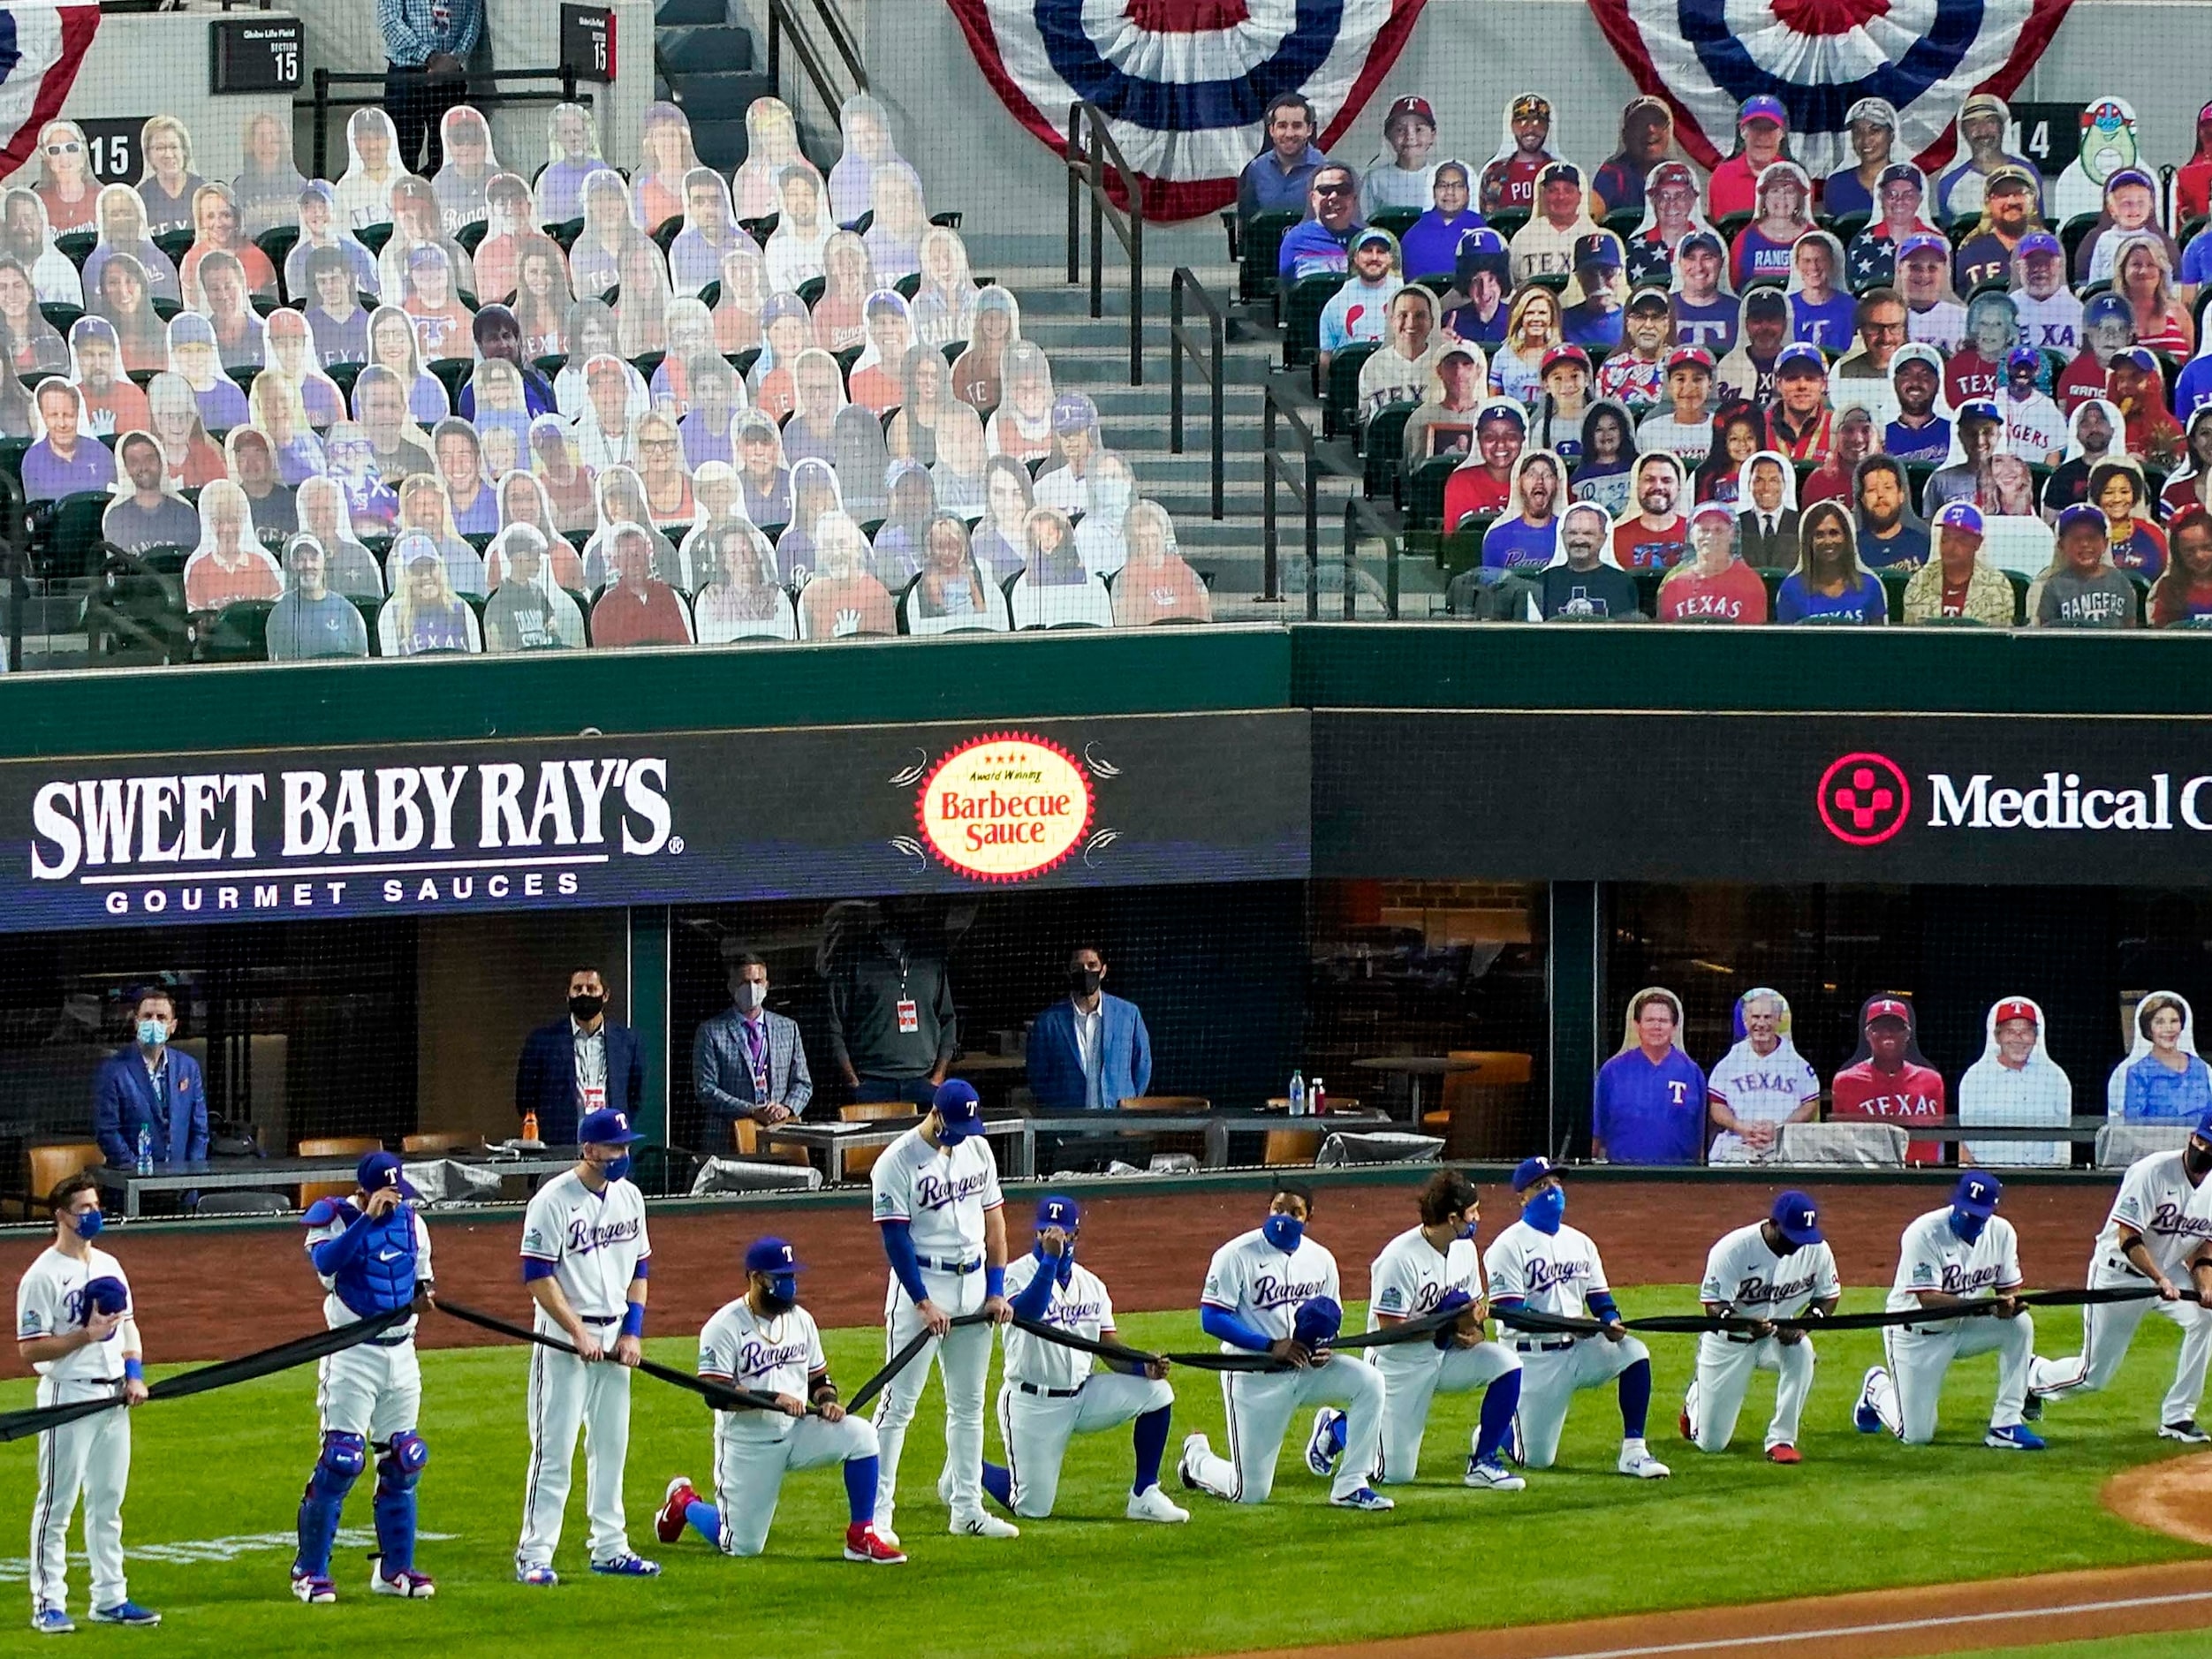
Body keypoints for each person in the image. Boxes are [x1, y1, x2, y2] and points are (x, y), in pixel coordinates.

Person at [653, 1238, 902, 1564]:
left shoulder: (801, 1320)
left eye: (791, 1276)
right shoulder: (723, 1326)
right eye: (779, 1278)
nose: (789, 1285)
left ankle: (861, 1536)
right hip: (748, 1442)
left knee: (862, 1436)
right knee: (741, 1545)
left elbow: (819, 1379)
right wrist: (773, 1399)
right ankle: (685, 1503)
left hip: (797, 1432)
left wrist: (828, 1401)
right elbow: (716, 1394)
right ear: (756, 1278)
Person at [1178, 1181, 1392, 1511]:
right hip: (1254, 1375)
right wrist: (1269, 1345)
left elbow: (1330, 1314)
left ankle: (1351, 1484)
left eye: (1295, 1212)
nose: (1285, 1217)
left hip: (1308, 1370)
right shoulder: (1235, 1255)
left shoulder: (1321, 1258)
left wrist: (1325, 1347)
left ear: (1309, 1218)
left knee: (1370, 1382)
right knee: (1248, 1492)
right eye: (1279, 1209)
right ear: (1268, 1209)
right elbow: (1212, 1318)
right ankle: (1196, 1459)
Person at [974, 1195, 1185, 1523]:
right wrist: (1049, 1261)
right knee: (1032, 1507)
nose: (1054, 1238)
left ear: (1076, 1235)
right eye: (1046, 1231)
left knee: (1158, 1393)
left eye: (1062, 1232)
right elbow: (1028, 1312)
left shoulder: (1092, 1285)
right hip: (1033, 1402)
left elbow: (1107, 1345)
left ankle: (1145, 1494)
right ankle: (969, 1467)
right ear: (1037, 1234)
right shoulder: (1013, 1275)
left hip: (1084, 1395)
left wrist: (1141, 1365)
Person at [869, 1079, 1017, 1545]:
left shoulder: (979, 1150)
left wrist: (996, 1289)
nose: (959, 1135)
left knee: (970, 1406)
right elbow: (895, 1239)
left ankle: (967, 1509)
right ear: (935, 1115)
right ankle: (876, 1514)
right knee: (898, 1405)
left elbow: (995, 1222)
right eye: (953, 1126)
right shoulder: (895, 1162)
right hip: (924, 1281)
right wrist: (922, 1301)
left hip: (973, 1281)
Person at [514, 1109, 656, 1585]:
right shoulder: (552, 1200)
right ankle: (535, 1554)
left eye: (626, 1147)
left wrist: (632, 1332)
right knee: (554, 1449)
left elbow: (639, 1269)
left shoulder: (630, 1198)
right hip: (560, 1339)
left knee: (611, 1446)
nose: (623, 1155)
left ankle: (611, 1546)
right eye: (615, 1148)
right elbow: (537, 1275)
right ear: (589, 1149)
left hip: (616, 1335)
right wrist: (576, 1331)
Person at [1315, 1170, 1525, 1491]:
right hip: (1399, 1364)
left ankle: (1483, 1463)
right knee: (1396, 1473)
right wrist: (1448, 1328)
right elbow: (1390, 1329)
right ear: (1453, 1218)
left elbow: (1472, 1305)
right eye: (1473, 1213)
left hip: (1446, 1354)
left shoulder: (1464, 1249)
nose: (1478, 1219)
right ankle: (1337, 1427)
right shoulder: (1398, 1259)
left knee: (1507, 1363)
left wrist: (1475, 1330)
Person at [289, 1152, 436, 1605]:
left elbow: (420, 1283)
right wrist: (364, 1222)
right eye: (385, 1195)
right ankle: (309, 1571)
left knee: (405, 1458)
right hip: (352, 1354)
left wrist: (422, 1299)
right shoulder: (333, 1217)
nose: (393, 1203)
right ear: (367, 1190)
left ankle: (395, 1569)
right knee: (342, 1460)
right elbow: (328, 1264)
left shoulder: (414, 1225)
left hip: (401, 1352)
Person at [18, 1172, 155, 1633]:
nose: (93, 1215)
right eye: (84, 1209)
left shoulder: (111, 1265)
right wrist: (84, 1336)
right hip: (68, 1396)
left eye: (96, 1206)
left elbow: (129, 1329)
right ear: (61, 1216)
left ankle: (110, 1596)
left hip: (114, 1396)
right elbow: (30, 1349)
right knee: (57, 1503)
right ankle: (48, 1602)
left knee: (107, 1502)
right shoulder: (42, 1276)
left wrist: (134, 1376)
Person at [2026, 1113, 2212, 1443]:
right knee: (2092, 1375)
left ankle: (2178, 1416)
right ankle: (2033, 1375)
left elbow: (2203, 1245)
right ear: (2192, 1137)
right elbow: (2128, 1237)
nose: (2204, 1150)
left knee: (2206, 1317)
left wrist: (2205, 1285)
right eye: (2202, 1141)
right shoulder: (2151, 1172)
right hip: (2120, 1274)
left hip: (2166, 1271)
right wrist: (2160, 1279)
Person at [1485, 1159, 1670, 1477]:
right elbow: (1510, 1313)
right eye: (1541, 1186)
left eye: (1556, 1183)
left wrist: (1610, 1320)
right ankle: (1498, 1429)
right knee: (1537, 1460)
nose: (1552, 1191)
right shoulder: (1507, 1246)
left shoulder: (1581, 1242)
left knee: (1635, 1352)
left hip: (1579, 1349)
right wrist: (1571, 1323)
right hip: (1533, 1360)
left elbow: (1600, 1298)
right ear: (1522, 1198)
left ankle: (1634, 1452)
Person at [1855, 1173, 2041, 1449]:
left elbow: (2009, 1289)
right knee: (1916, 1436)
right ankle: (1876, 1388)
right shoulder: (1923, 1233)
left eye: (1977, 1214)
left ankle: (2006, 1423)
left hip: (1964, 1327)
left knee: (2020, 1325)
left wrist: (2008, 1305)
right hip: (1916, 1335)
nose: (1969, 1218)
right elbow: (1928, 1300)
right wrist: (1987, 1307)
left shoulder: (2002, 1233)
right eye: (1965, 1210)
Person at [1679, 1191, 1838, 1462]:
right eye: (1792, 1238)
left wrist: (1804, 1324)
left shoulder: (1816, 1249)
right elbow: (1713, 1305)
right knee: (1712, 1444)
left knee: (1802, 1351)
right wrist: (1742, 1323)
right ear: (1774, 1224)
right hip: (1730, 1341)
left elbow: (1829, 1295)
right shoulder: (1733, 1249)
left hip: (1775, 1339)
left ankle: (1781, 1440)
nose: (1798, 1246)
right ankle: (1696, 1399)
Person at [826, 901, 958, 1106]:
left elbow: (948, 1019)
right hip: (871, 1084)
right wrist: (853, 1081)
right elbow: (834, 1027)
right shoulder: (853, 961)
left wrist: (938, 1077)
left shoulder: (929, 960)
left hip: (923, 1082)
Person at [514, 967, 645, 1148]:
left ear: (605, 995)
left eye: (591, 989)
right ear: (568, 996)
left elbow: (634, 1096)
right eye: (578, 989)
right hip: (559, 1148)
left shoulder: (628, 1041)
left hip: (610, 1148)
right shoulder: (543, 1041)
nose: (584, 994)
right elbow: (526, 1098)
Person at [692, 951, 812, 1145]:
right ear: (731, 987)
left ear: (767, 985)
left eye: (757, 981)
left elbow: (803, 1083)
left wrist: (786, 1108)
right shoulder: (711, 1031)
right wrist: (752, 1111)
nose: (752, 988)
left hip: (781, 1137)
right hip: (727, 1139)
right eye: (744, 982)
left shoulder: (788, 1028)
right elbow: (705, 1089)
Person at [1025, 945, 1152, 1112]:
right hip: (1066, 1125)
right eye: (1077, 967)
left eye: (1092, 965)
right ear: (1068, 972)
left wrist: (1130, 1103)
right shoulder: (1048, 1022)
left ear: (1103, 970)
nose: (1085, 972)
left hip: (1118, 1123)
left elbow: (1142, 1065)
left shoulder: (1128, 1015)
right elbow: (1037, 1076)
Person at [91, 987, 207, 1170]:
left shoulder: (188, 1067)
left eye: (161, 1017)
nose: (154, 1022)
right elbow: (107, 1131)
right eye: (147, 1016)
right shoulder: (113, 1070)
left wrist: (193, 1173)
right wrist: (137, 1170)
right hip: (134, 1185)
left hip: (182, 1184)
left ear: (173, 1026)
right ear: (136, 1023)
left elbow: (199, 1129)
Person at [1593, 988, 1705, 1163]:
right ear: (1637, 1025)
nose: (1657, 1026)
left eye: (1663, 1020)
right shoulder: (1613, 1071)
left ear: (1674, 1027)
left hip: (1679, 1178)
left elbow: (1701, 1138)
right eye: (1650, 1020)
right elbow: (1597, 1132)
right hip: (1621, 1177)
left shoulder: (1692, 1072)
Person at [1957, 997, 2072, 1170]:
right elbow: (1964, 1141)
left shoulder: (2055, 1077)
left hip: (2041, 1179)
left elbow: (2065, 1138)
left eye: (2026, 1032)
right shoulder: (1975, 1078)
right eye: (2010, 1032)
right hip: (1989, 1178)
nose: (2019, 1039)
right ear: (1997, 1036)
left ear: (2035, 1037)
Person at [1706, 989, 1818, 1162]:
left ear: (1778, 1019)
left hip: (1783, 1147)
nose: (1761, 1023)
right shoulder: (1729, 1063)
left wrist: (1782, 1128)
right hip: (1738, 1144)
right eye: (1756, 1017)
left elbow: (1810, 1104)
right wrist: (1739, 1126)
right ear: (1745, 1021)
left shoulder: (1797, 1063)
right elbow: (1717, 1106)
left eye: (1767, 1017)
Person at [1829, 996, 1944, 1163]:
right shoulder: (1845, 1081)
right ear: (1868, 1033)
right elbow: (1839, 1139)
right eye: (1880, 1028)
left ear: (1907, 1034)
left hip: (1919, 1174)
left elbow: (1938, 1137)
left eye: (1896, 1027)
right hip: (1866, 1175)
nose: (1888, 1033)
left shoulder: (1931, 1080)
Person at [378, 0, 481, 176]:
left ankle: (435, 194)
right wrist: (430, 57)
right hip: (406, 73)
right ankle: (405, 197)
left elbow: (473, 21)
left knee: (446, 155)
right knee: (403, 153)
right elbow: (390, 22)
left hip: (450, 76)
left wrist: (453, 60)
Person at [1901, 501, 2013, 625]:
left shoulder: (1998, 586)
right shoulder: (1920, 581)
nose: (1951, 547)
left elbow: (1998, 641)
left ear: (1977, 543)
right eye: (1946, 538)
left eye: (1961, 540)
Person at [1935, 94, 2039, 226]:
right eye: (1973, 124)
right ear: (1963, 132)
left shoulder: (2027, 172)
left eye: (1990, 122)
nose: (1983, 131)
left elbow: (2038, 231)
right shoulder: (1949, 183)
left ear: (2002, 127)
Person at [1776, 500, 1886, 624]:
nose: (1828, 541)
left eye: (1834, 533)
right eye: (1819, 535)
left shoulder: (1870, 586)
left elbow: (1879, 642)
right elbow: (1785, 642)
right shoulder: (1791, 590)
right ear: (1808, 542)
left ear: (1846, 538)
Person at [2034, 503, 2140, 629]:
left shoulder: (2120, 582)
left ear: (2105, 543)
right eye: (2076, 538)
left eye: (2092, 537)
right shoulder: (2053, 586)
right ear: (2061, 545)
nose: (2084, 544)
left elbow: (2131, 631)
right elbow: (2045, 637)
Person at [267, 535, 370, 663]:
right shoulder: (280, 613)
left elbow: (362, 659)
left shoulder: (346, 610)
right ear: (293, 564)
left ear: (324, 562)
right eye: (301, 559)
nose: (308, 565)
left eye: (313, 559)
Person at [2110, 993, 2212, 1121]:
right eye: (2159, 1022)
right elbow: (2134, 1127)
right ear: (2148, 1029)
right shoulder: (2138, 1073)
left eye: (2174, 1021)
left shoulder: (2199, 1067)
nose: (2168, 1029)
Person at [1656, 502, 1765, 622]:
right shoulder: (1674, 584)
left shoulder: (1750, 583)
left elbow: (1754, 637)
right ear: (1691, 536)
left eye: (1718, 530)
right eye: (1704, 530)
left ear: (1732, 535)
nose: (1710, 536)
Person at [1540, 500, 1640, 620]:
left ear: (1603, 538)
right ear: (1562, 536)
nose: (1579, 540)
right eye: (1572, 533)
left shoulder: (1622, 583)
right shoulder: (1545, 581)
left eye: (1588, 534)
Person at [1239, 94, 1329, 226]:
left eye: (1297, 126)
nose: (1289, 134)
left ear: (1309, 130)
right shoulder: (1256, 169)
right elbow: (1247, 225)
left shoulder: (1326, 171)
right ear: (1271, 130)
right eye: (1282, 126)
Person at [102, 431, 198, 555]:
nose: (143, 467)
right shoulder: (116, 518)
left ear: (160, 462)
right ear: (126, 469)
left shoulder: (186, 514)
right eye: (134, 461)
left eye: (149, 459)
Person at [23, 379, 117, 503]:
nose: (62, 424)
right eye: (53, 415)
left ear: (78, 414)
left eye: (68, 415)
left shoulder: (101, 453)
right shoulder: (33, 460)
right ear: (43, 418)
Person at [1952, 166, 2042, 294]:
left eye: (2019, 193)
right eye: (2002, 195)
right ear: (1988, 203)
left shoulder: (2049, 249)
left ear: (2033, 199)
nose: (2011, 201)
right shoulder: (1968, 251)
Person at [1509, 163, 1597, 285]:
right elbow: (1513, 284)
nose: (1560, 197)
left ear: (1579, 197)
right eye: (1553, 191)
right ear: (1544, 196)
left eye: (1568, 190)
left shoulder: (1595, 237)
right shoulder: (1523, 238)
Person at [1707, 95, 1790, 221]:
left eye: (1770, 129)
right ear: (1742, 131)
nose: (1762, 136)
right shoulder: (1722, 176)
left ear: (1782, 133)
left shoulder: (1795, 177)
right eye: (1756, 128)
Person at [1593, 96, 1678, 218]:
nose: (1650, 129)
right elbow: (1591, 213)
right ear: (1625, 135)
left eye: (1658, 122)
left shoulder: (1679, 175)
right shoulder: (1612, 174)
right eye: (1640, 123)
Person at [1398, 161, 1483, 282]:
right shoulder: (1414, 232)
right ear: (1434, 192)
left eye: (1458, 186)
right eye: (1443, 186)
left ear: (1467, 193)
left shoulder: (1483, 229)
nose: (1449, 192)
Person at [1478, 93, 1559, 215]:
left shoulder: (1561, 171)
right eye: (1522, 122)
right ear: (1512, 126)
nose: (1530, 129)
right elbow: (1487, 221)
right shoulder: (1495, 173)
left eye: (1539, 123)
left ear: (1547, 127)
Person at [1637, 345, 1716, 465]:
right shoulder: (1648, 431)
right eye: (1680, 379)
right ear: (1669, 385)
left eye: (1697, 379)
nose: (1689, 388)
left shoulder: (1724, 427)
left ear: (1710, 384)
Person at [1822, 96, 1899, 218]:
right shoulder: (1837, 185)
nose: (1865, 139)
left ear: (1891, 135)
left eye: (1874, 131)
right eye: (1858, 132)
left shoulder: (1908, 182)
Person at [1610, 451, 1687, 572]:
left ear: (1679, 487)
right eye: (1649, 479)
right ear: (1637, 486)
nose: (1658, 487)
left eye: (1666, 480)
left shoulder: (1696, 535)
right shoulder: (1614, 537)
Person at [1361, 95, 1438, 216]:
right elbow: (1364, 224)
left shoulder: (1441, 178)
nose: (1410, 136)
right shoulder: (1375, 179)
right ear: (1388, 135)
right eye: (1400, 129)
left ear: (1433, 135)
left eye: (1418, 129)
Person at [1735, 449, 1799, 567]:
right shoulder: (1736, 525)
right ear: (1749, 484)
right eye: (1759, 480)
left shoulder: (1801, 523)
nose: (1766, 488)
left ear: (1784, 484)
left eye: (1773, 480)